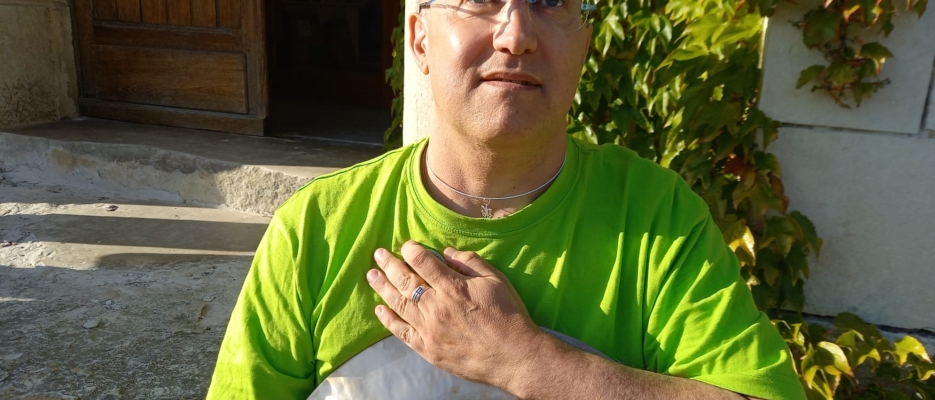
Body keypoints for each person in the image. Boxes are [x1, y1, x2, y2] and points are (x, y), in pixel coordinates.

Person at [207, 0, 806, 398]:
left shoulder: (656, 217)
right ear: (419, 39)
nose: (516, 35)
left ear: (584, 42)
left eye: (549, 0)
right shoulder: (315, 229)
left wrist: (525, 361)